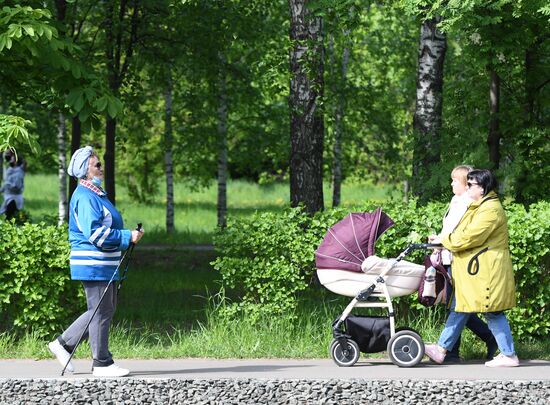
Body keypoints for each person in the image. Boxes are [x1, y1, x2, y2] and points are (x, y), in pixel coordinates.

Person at [48, 146, 144, 377]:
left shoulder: (95, 195)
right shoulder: (85, 196)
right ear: (85, 170)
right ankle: (101, 362)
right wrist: (126, 237)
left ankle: (64, 344)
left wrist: (128, 236)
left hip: (103, 263)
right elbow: (95, 234)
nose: (102, 168)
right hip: (93, 263)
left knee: (103, 309)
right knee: (100, 310)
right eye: (97, 165)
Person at [425, 169, 519, 367]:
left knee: (491, 310)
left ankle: (509, 355)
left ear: (483, 188)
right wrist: (445, 240)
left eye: (471, 185)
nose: (467, 188)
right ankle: (442, 349)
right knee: (463, 306)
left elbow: (469, 237)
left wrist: (444, 240)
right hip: (478, 268)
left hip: (487, 269)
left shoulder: (490, 210)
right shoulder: (481, 206)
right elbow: (463, 232)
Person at [0, 149, 26, 221]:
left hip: (14, 197)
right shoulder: (9, 170)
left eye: (12, 158)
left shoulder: (19, 172)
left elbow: (17, 186)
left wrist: (9, 185)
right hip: (8, 196)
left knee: (9, 216)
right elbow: (6, 183)